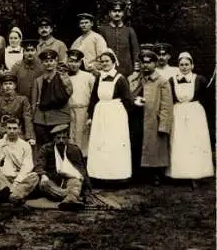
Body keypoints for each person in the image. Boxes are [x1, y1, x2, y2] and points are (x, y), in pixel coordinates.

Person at [166, 52, 214, 186]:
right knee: (179, 142)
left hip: (195, 113)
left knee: (195, 142)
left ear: (192, 65)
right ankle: (178, 173)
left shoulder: (200, 79)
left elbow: (207, 98)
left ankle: (195, 174)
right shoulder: (172, 80)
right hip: (178, 112)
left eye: (187, 64)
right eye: (181, 65)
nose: (184, 67)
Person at [128, 50, 173, 186]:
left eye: (149, 62)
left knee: (155, 147)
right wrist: (134, 100)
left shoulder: (162, 81)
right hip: (137, 117)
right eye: (143, 62)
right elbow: (128, 95)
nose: (145, 65)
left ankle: (156, 175)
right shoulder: (135, 79)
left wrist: (164, 125)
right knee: (137, 145)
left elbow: (166, 105)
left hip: (154, 119)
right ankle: (138, 175)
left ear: (154, 64)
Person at [87, 49, 132, 182]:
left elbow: (127, 100)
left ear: (114, 62)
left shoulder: (120, 79)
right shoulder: (99, 78)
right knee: (100, 143)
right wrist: (90, 116)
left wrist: (122, 116)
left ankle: (118, 176)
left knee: (114, 143)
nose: (104, 64)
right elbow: (94, 98)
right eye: (102, 62)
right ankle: (99, 176)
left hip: (115, 114)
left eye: (107, 61)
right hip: (100, 113)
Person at [35, 124, 90, 211]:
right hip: (52, 181)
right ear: (53, 138)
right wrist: (43, 175)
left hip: (69, 181)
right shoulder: (46, 149)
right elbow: (39, 165)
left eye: (64, 138)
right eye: (58, 138)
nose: (61, 141)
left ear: (68, 138)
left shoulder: (74, 150)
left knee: (76, 180)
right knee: (45, 183)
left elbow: (81, 170)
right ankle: (71, 197)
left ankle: (68, 200)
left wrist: (80, 178)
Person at [0, 117, 39, 205]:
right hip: (3, 178)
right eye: (9, 128)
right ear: (5, 129)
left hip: (18, 178)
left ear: (19, 129)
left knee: (34, 177)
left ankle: (8, 195)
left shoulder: (25, 145)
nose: (11, 131)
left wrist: (17, 181)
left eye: (14, 128)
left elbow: (27, 166)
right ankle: (16, 196)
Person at [32, 49, 73, 146]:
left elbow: (68, 93)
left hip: (60, 118)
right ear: (42, 62)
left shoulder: (64, 78)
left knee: (61, 146)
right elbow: (34, 102)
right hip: (42, 120)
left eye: (51, 61)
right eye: (46, 61)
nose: (49, 63)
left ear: (56, 61)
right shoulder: (38, 81)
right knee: (43, 148)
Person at [0, 71, 35, 145]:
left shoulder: (22, 100)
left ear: (15, 85)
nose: (8, 86)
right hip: (1, 130)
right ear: (1, 86)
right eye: (5, 84)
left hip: (18, 130)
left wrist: (29, 137)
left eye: (10, 84)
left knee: (22, 144)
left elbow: (27, 118)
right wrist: (4, 132)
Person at [98, 0, 140, 76]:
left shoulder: (129, 30)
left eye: (119, 11)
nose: (117, 14)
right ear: (110, 13)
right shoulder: (103, 30)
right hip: (108, 70)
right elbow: (100, 50)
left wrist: (136, 70)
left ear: (123, 13)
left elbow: (135, 52)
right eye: (114, 11)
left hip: (127, 70)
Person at [66, 49, 95, 158]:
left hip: (83, 110)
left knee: (83, 136)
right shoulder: (64, 77)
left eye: (76, 62)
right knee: (70, 136)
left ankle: (84, 159)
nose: (73, 64)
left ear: (80, 62)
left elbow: (94, 96)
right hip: (68, 110)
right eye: (71, 61)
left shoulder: (88, 77)